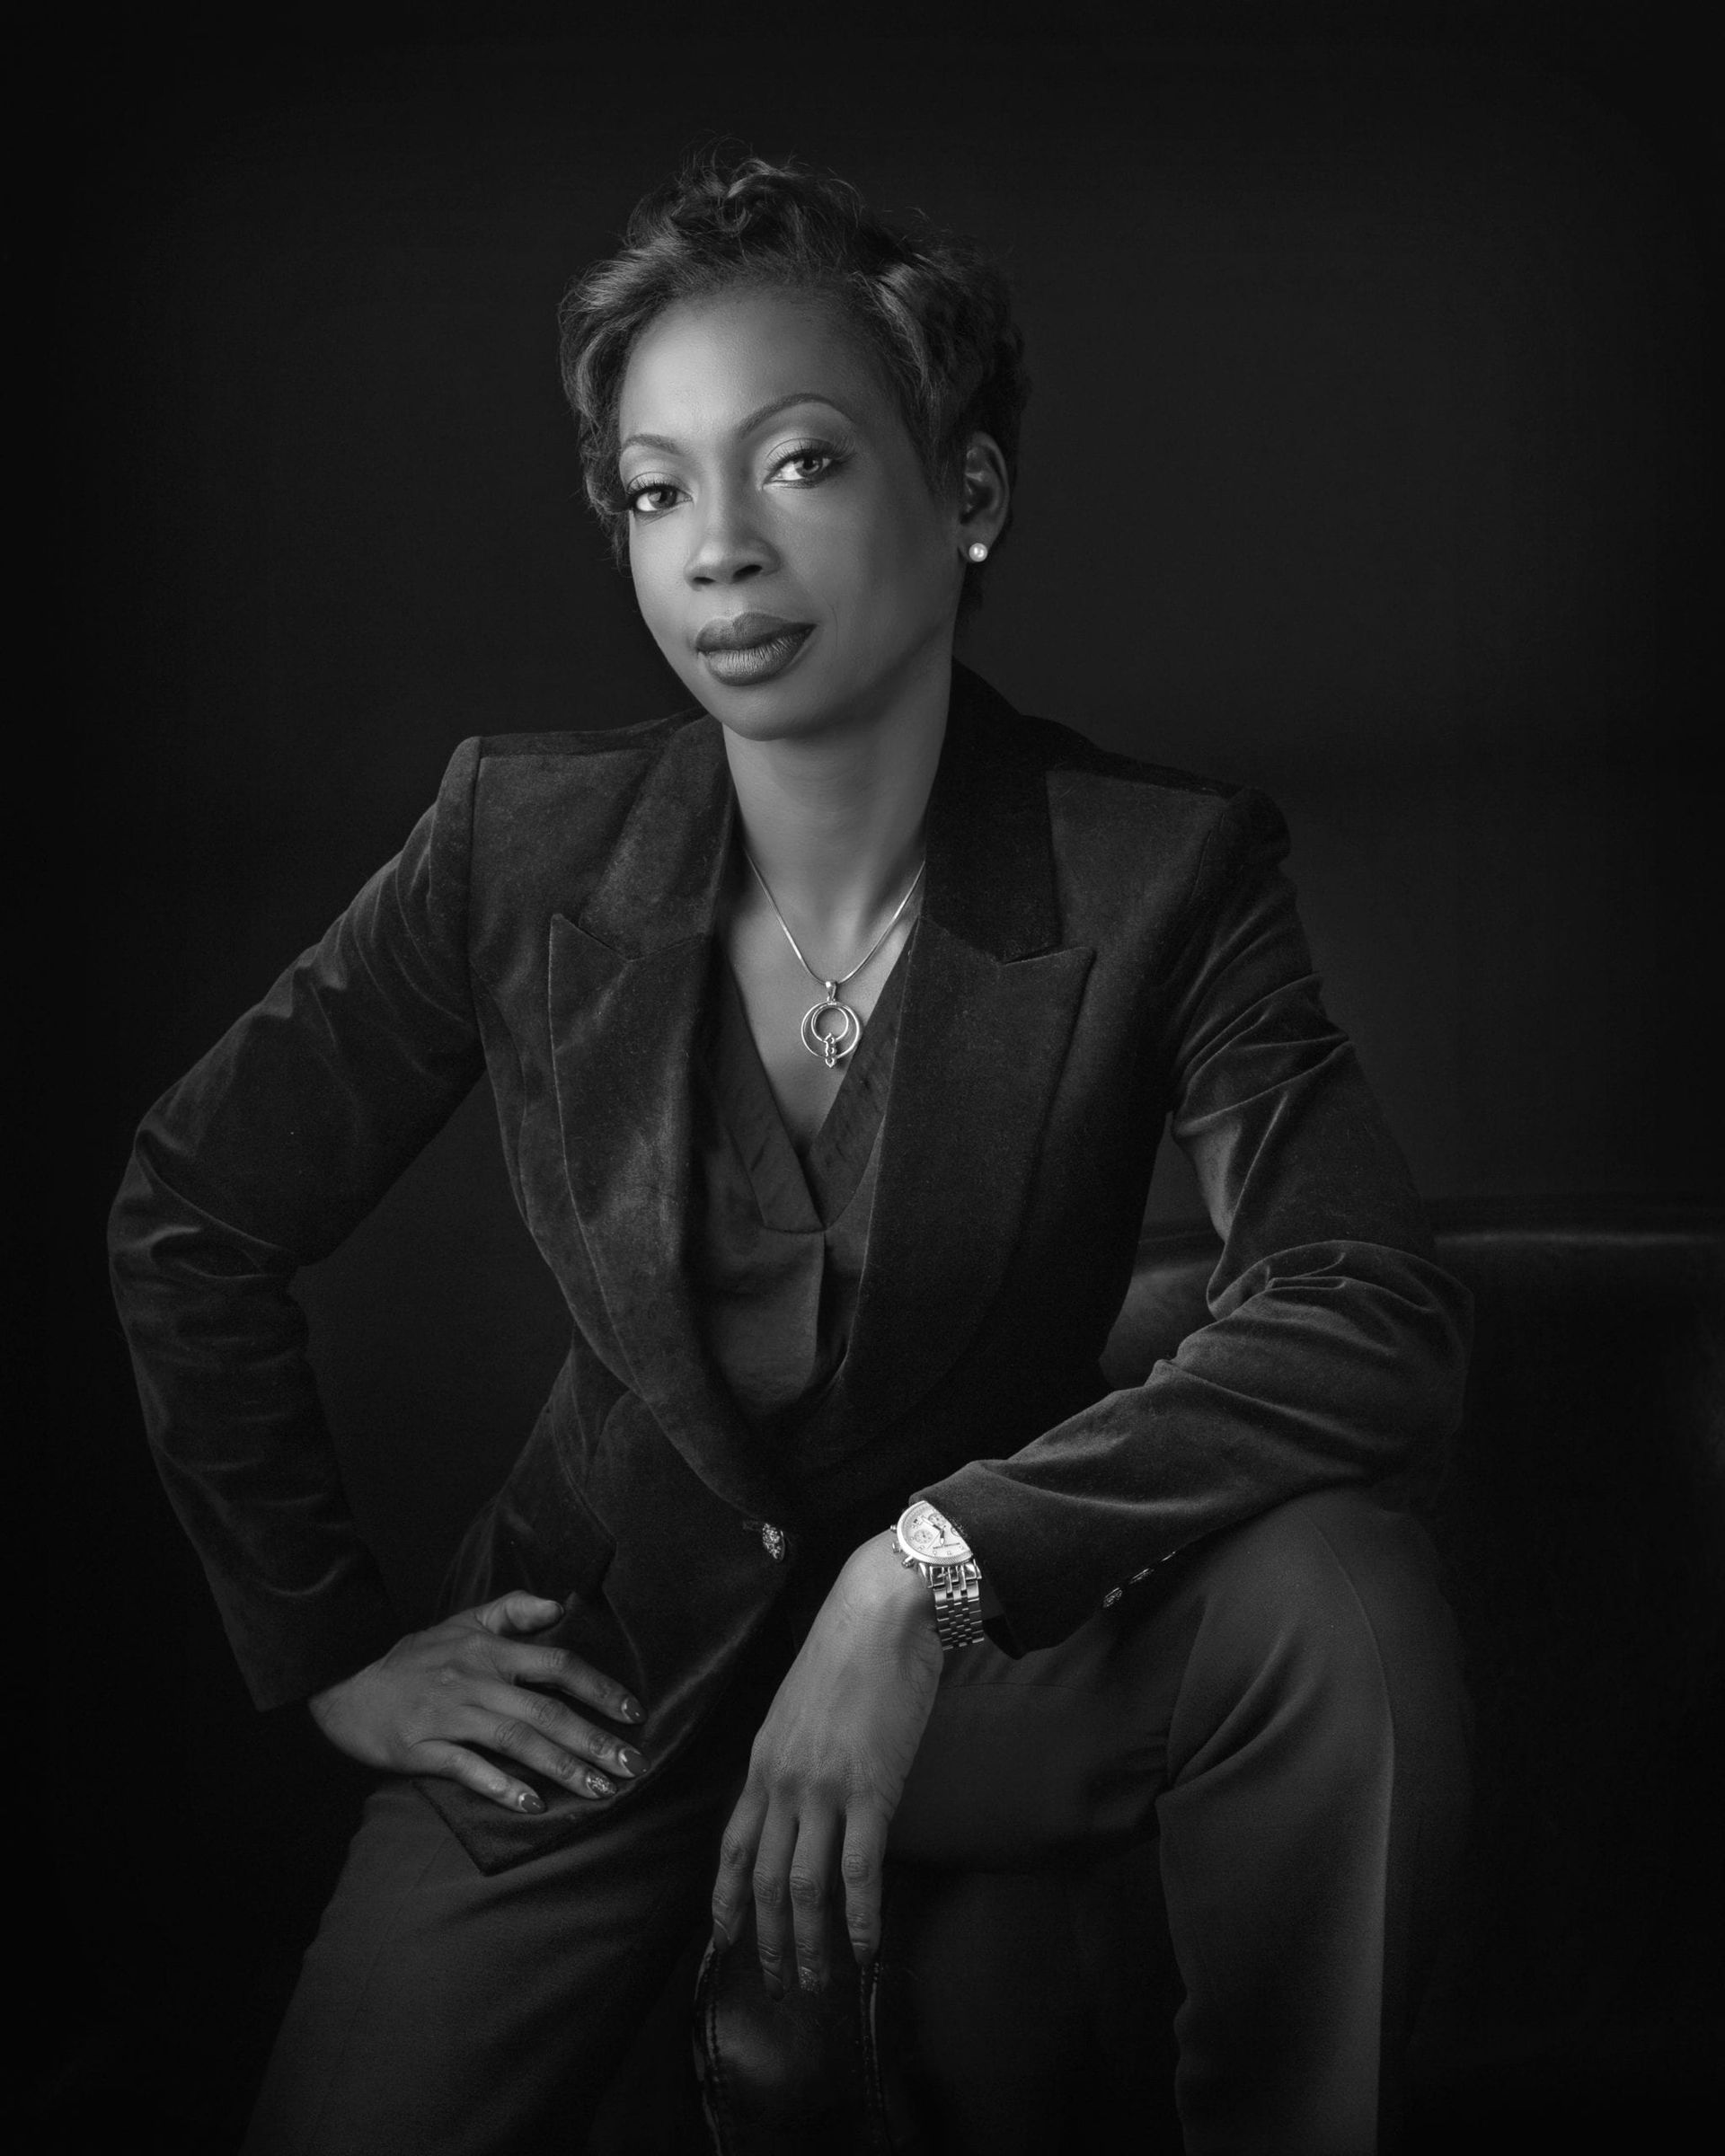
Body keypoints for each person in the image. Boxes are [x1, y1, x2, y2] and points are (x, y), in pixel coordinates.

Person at [109, 153, 1473, 2155]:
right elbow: (195, 1204)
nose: (718, 552)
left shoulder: (1161, 873)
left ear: (971, 498)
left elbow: (1369, 1307)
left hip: (980, 1689)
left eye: (802, 464)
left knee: (1339, 1601)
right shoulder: (517, 843)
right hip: (599, 1693)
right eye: (659, 493)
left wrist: (930, 1573)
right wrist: (327, 1656)